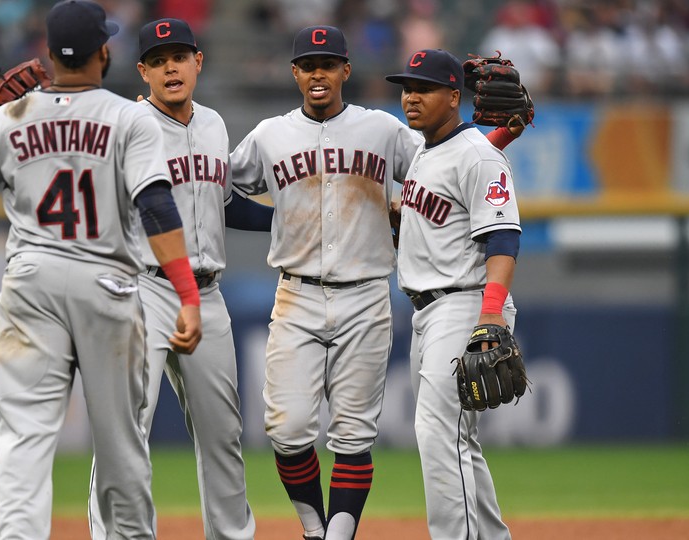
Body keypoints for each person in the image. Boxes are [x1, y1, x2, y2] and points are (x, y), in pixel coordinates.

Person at [228, 26, 521, 540]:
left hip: (397, 296)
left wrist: (497, 138)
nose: (317, 72)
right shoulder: (272, 134)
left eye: (329, 62)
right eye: (307, 63)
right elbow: (439, 175)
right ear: (294, 72)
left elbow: (464, 175)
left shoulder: (388, 133)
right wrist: (276, 221)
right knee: (291, 429)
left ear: (346, 70)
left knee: (401, 434)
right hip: (317, 293)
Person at [0, 2, 202, 539]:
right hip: (105, 283)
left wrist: (7, 120)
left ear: (48, 54)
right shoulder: (130, 117)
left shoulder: (9, 117)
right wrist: (188, 296)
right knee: (119, 441)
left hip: (31, 283)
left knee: (23, 435)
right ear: (104, 52)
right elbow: (157, 207)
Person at [87, 17, 272, 540]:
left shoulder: (213, 124)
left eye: (181, 55)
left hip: (207, 293)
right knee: (126, 429)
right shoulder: (123, 127)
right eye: (160, 59)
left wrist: (291, 219)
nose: (172, 66)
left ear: (198, 62)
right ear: (142, 70)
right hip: (141, 287)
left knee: (223, 433)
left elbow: (227, 202)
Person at [385, 48, 522, 539]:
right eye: (407, 88)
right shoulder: (430, 148)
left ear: (454, 96)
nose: (411, 97)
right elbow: (459, 179)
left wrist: (490, 317)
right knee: (457, 439)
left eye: (423, 88)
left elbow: (503, 238)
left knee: (437, 433)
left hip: (465, 303)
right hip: (427, 309)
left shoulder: (478, 155)